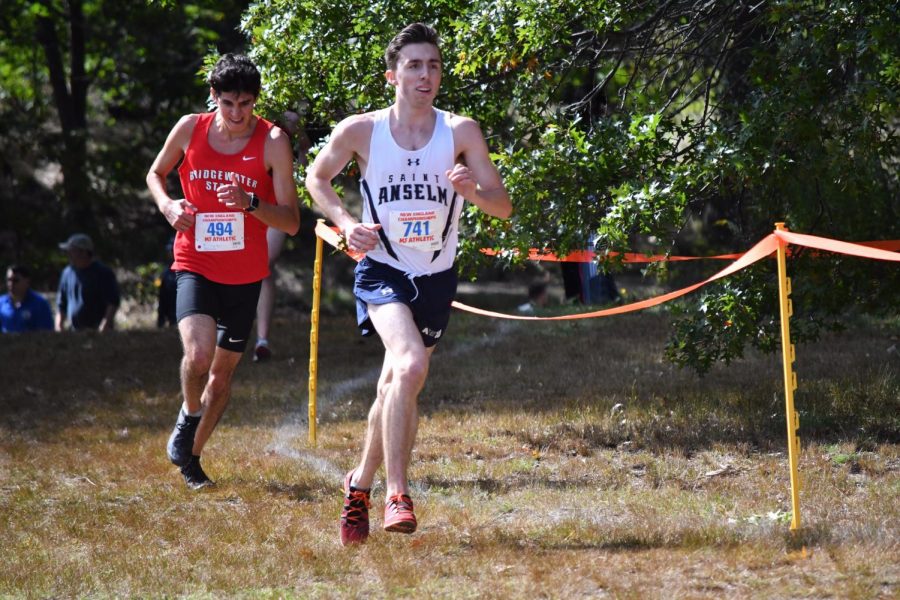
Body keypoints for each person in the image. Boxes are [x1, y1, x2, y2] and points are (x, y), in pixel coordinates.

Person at [306, 23, 512, 544]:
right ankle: (398, 493)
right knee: (411, 364)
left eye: (434, 65)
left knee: (395, 384)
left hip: (437, 279)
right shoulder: (363, 131)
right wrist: (346, 223)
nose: (426, 75)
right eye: (415, 65)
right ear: (392, 75)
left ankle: (358, 486)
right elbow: (315, 178)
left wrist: (473, 191)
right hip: (384, 270)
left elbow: (502, 206)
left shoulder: (461, 131)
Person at [146, 53, 300, 489]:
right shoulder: (189, 128)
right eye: (228, 103)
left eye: (246, 104)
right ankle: (189, 415)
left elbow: (290, 220)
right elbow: (155, 173)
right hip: (195, 260)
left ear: (255, 101)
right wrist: (168, 205)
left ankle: (192, 458)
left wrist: (251, 203)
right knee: (197, 356)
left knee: (223, 374)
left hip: (245, 274)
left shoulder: (272, 141)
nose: (237, 114)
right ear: (213, 97)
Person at [253, 110, 312, 362]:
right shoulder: (247, 113)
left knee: (264, 265)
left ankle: (262, 340)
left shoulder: (290, 117)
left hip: (276, 207)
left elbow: (305, 152)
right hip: (245, 201)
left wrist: (296, 180)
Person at [55, 233, 120, 332]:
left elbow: (112, 302)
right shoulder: (67, 273)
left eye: (72, 251)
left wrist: (104, 326)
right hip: (74, 332)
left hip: (98, 332)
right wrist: (59, 326)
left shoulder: (102, 273)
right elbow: (61, 303)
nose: (68, 254)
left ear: (83, 252)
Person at [1, 265, 54, 333]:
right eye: (8, 280)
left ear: (27, 281)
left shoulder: (39, 304)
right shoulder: (1, 303)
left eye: (15, 280)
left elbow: (47, 333)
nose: (11, 284)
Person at [157, 236, 177, 328]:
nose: (170, 253)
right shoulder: (166, 272)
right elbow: (162, 298)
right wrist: (161, 320)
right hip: (171, 316)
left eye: (172, 250)